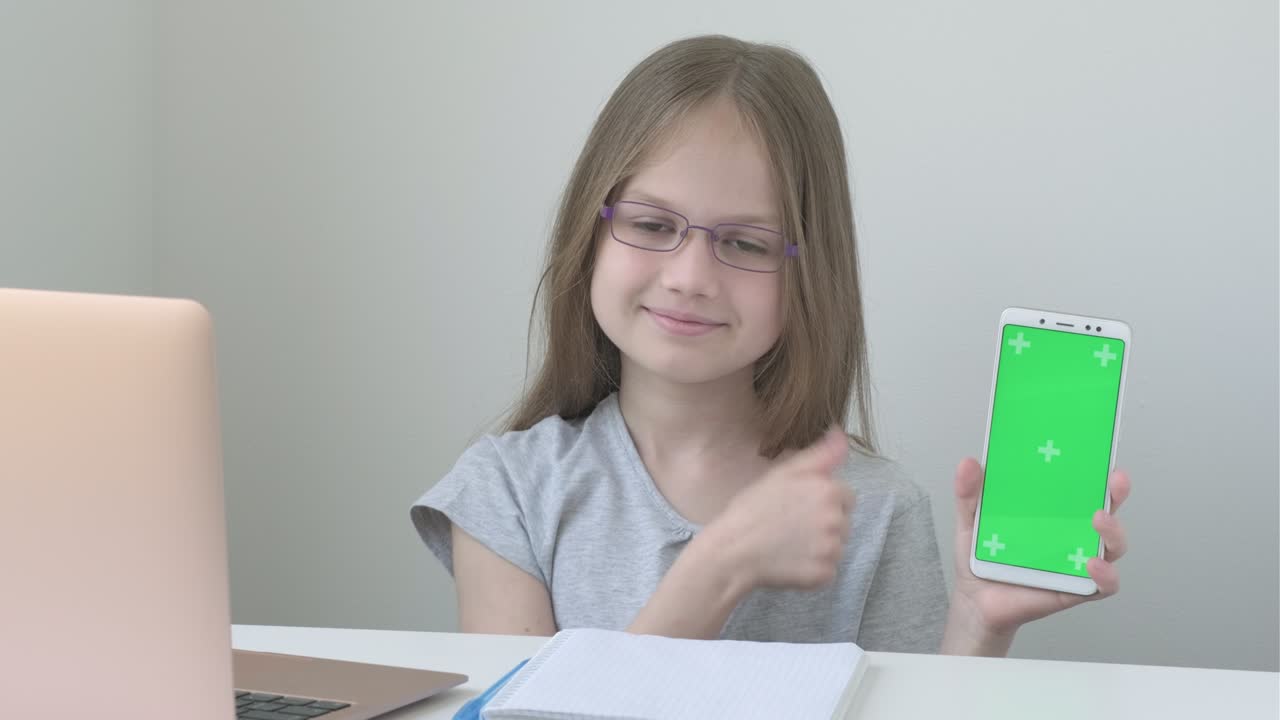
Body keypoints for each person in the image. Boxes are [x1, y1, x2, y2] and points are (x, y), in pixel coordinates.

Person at [411, 34, 1130, 655]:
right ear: (589, 231)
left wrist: (977, 627)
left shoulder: (876, 509)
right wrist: (719, 568)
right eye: (653, 225)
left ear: (810, 271)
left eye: (746, 243)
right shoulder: (507, 492)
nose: (690, 277)